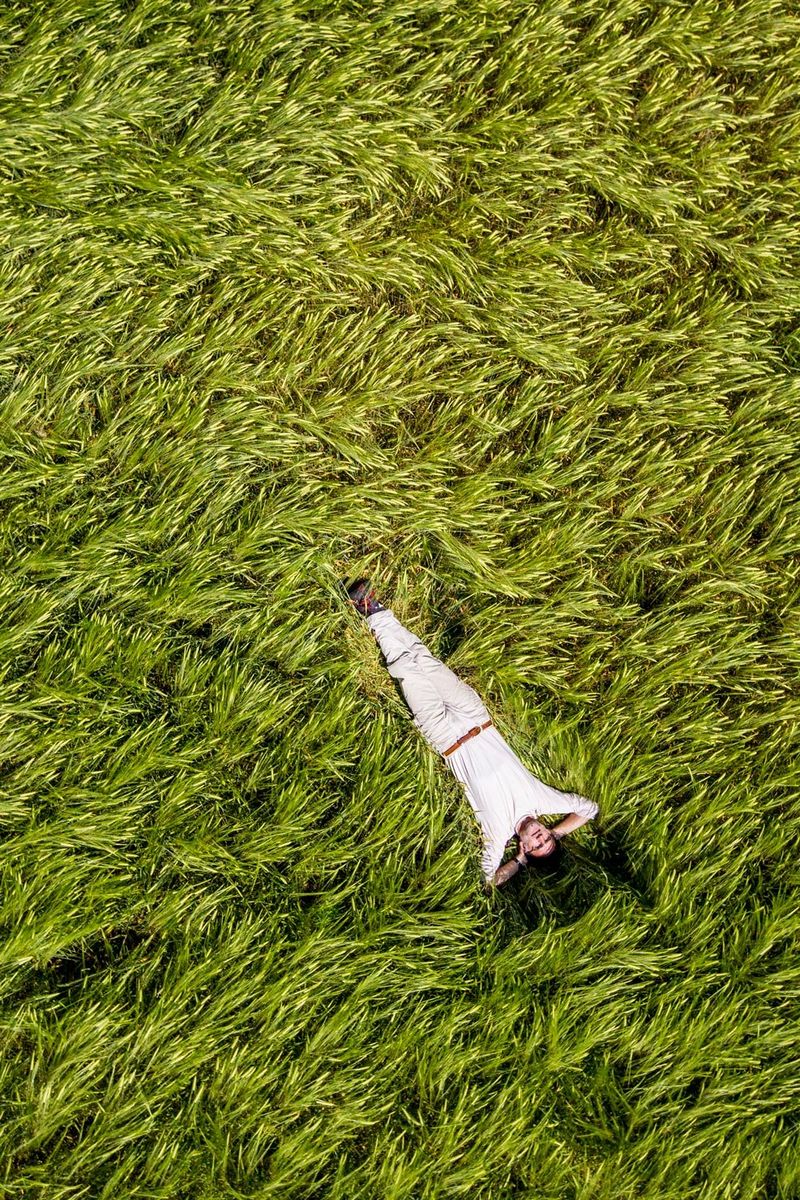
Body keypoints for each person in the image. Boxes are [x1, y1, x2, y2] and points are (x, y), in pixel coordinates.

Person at [344, 578, 599, 887]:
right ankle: (378, 609)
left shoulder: (497, 831)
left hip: (445, 737)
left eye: (536, 845)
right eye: (546, 837)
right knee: (424, 659)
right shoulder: (543, 800)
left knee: (407, 670)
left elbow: (489, 878)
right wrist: (559, 832)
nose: (538, 836)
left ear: (525, 848)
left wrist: (518, 861)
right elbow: (589, 809)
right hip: (475, 717)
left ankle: (368, 608)